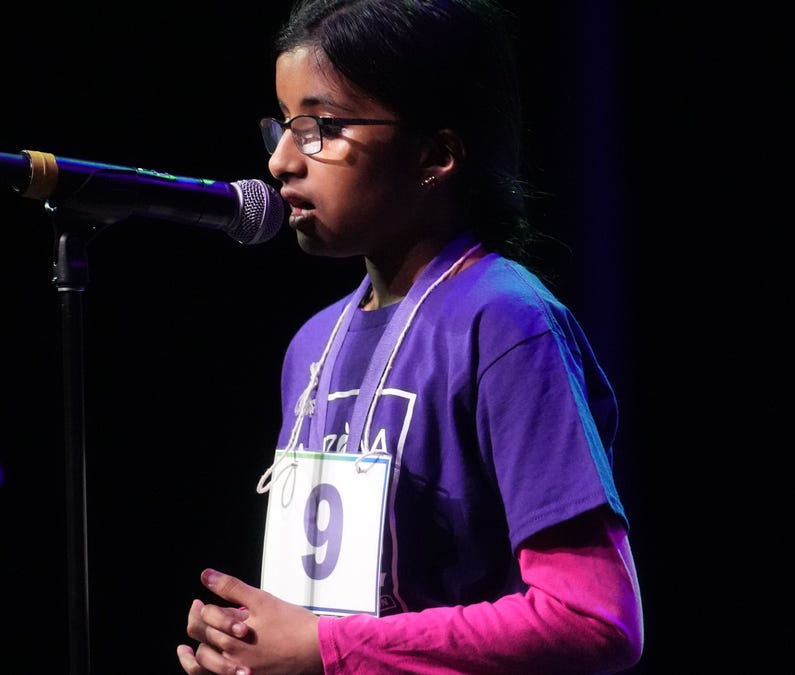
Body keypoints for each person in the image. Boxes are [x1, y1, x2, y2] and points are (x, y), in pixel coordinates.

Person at [174, 1, 644, 673]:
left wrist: (328, 649)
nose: (280, 161)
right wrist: (256, 649)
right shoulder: (312, 346)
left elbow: (593, 616)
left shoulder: (505, 321)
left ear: (435, 154)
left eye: (324, 127)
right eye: (282, 126)